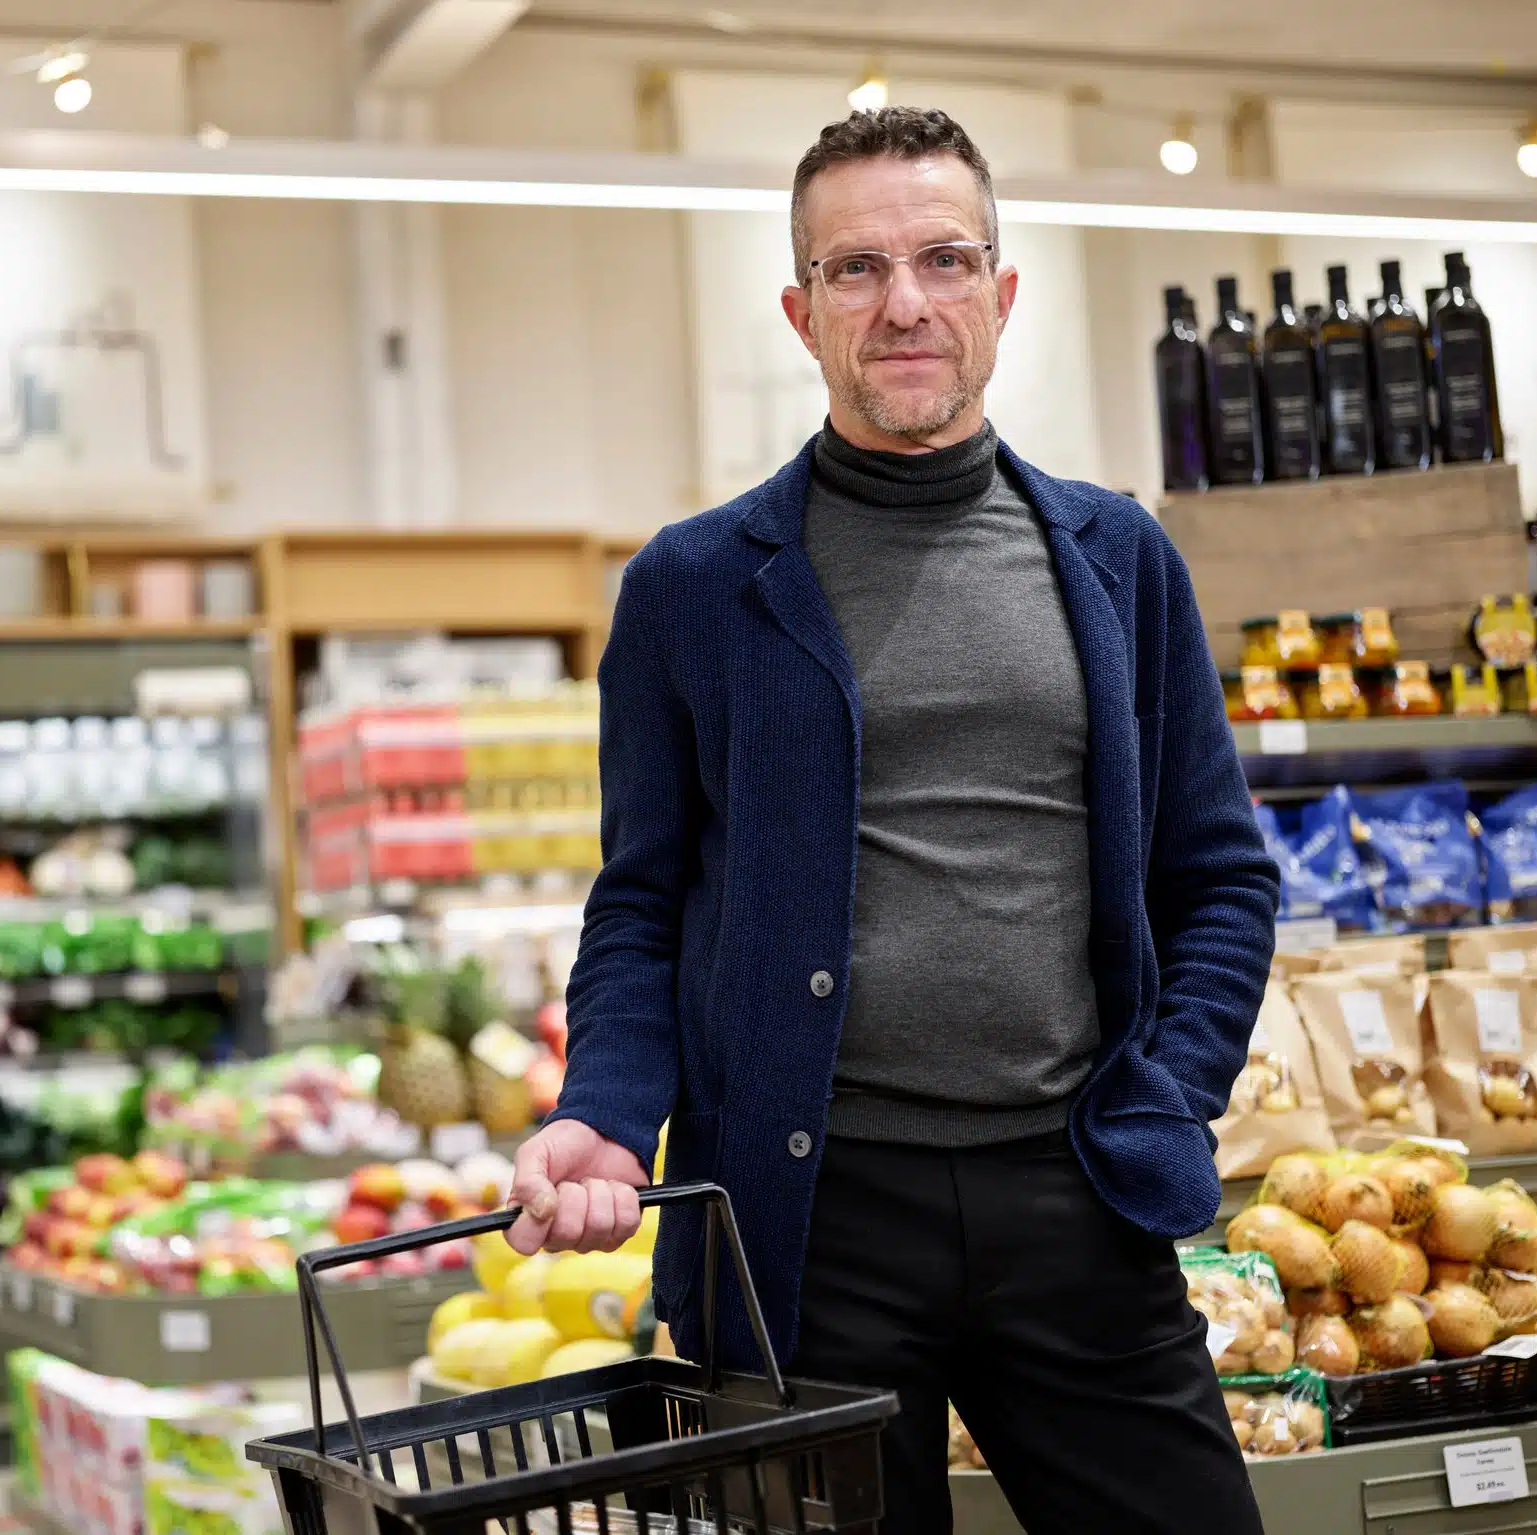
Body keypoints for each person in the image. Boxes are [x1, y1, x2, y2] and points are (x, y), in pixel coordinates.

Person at [503, 106, 1277, 1534]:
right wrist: (607, 1116)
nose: (904, 302)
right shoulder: (694, 586)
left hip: (1080, 1191)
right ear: (801, 312)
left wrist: (1166, 1092)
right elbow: (643, 895)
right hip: (803, 1227)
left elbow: (1220, 871)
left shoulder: (1116, 558)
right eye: (856, 270)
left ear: (1005, 292)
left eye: (943, 258)